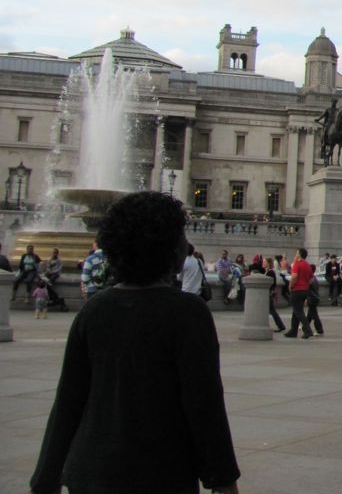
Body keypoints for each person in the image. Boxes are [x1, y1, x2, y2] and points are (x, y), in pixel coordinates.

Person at [29, 191, 240, 494]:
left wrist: (44, 479)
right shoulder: (187, 312)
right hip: (160, 471)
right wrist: (223, 480)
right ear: (166, 246)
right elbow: (204, 404)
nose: (187, 244)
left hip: (90, 471)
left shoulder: (94, 309)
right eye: (181, 234)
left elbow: (68, 401)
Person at [285, 248, 314, 339]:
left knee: (298, 311)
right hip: (305, 290)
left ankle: (308, 330)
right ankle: (293, 330)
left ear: (300, 254)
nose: (295, 254)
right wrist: (305, 284)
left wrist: (290, 286)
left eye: (297, 253)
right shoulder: (307, 265)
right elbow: (312, 278)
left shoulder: (297, 264)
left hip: (297, 290)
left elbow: (294, 276)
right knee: (296, 310)